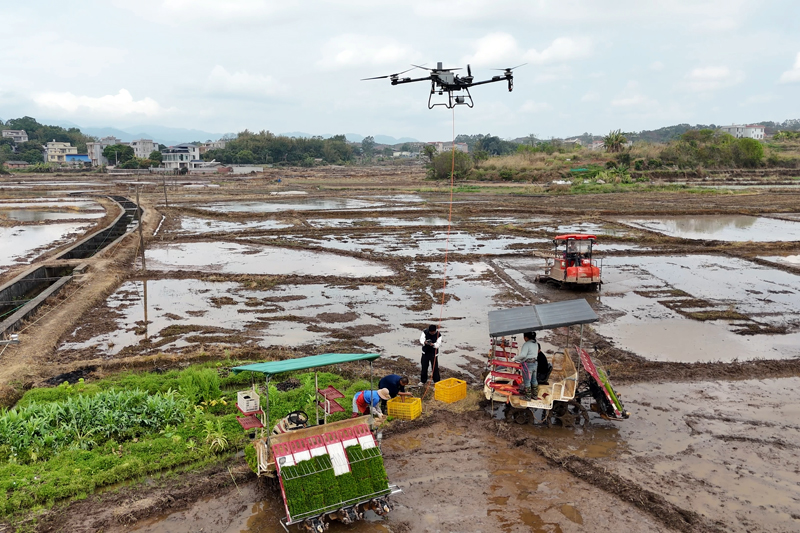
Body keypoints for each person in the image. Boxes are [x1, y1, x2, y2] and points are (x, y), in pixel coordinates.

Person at [514, 331, 540, 400]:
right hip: (535, 363)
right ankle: (535, 395)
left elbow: (523, 355)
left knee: (527, 380)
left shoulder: (526, 344)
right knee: (534, 380)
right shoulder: (536, 344)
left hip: (528, 364)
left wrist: (515, 358)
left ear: (526, 337)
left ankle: (527, 396)